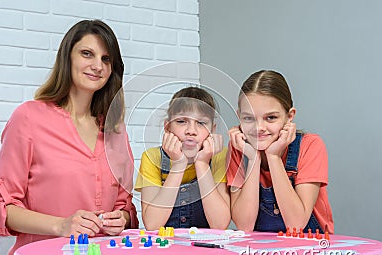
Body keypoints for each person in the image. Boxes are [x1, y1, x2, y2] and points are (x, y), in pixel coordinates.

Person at [0, 19, 138, 255]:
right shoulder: (28, 118)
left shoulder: (115, 130)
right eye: (87, 53)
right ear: (67, 57)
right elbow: (0, 208)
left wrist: (121, 218)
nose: (97, 66)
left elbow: (125, 207)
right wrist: (61, 224)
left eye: (106, 59)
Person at [228, 70, 333, 234]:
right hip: (259, 251)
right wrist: (254, 159)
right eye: (248, 118)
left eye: (270, 118)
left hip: (308, 248)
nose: (259, 128)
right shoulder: (239, 148)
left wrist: (273, 156)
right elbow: (245, 225)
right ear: (239, 116)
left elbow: (296, 224)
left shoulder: (311, 146)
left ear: (289, 116)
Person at [135, 87, 231, 230]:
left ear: (213, 129)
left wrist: (202, 164)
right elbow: (152, 224)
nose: (191, 131)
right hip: (166, 246)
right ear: (167, 127)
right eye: (181, 121)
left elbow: (220, 224)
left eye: (201, 123)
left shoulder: (219, 157)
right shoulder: (152, 157)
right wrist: (178, 165)